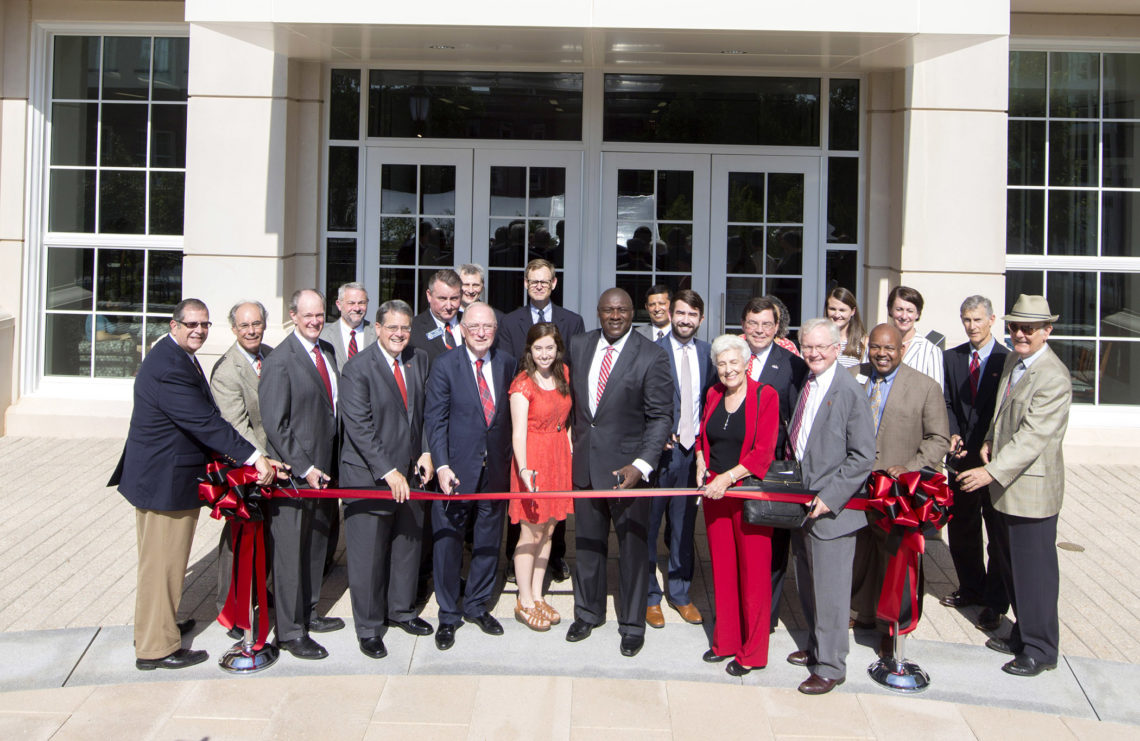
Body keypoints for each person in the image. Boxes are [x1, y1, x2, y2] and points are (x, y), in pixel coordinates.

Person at [109, 298, 281, 670]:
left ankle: (158, 626)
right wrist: (254, 457)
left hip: (164, 478)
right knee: (162, 566)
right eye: (191, 324)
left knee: (161, 564)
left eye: (204, 324)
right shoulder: (170, 365)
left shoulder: (175, 356)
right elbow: (204, 422)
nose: (198, 331)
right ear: (173, 325)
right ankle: (156, 649)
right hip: (164, 483)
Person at [958, 294, 1072, 677]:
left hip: (1031, 492)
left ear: (1047, 331)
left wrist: (988, 472)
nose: (1020, 333)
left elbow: (1033, 438)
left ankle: (1041, 649)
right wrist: (989, 438)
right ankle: (1023, 634)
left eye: (1029, 328)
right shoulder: (1013, 360)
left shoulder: (1053, 376)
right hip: (1006, 488)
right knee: (1009, 567)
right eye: (1015, 327)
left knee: (1034, 574)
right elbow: (1001, 411)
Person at [565, 288, 673, 658]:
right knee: (588, 546)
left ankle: (631, 625)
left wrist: (641, 465)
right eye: (608, 310)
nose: (615, 316)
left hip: (630, 472)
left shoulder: (651, 355)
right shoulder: (578, 345)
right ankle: (588, 613)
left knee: (632, 551)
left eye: (622, 310)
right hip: (586, 466)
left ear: (633, 312)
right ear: (598, 312)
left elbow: (661, 417)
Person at [338, 299, 436, 659]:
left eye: (405, 328)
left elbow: (424, 413)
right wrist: (388, 470)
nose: (399, 334)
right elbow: (359, 428)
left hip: (411, 472)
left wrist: (425, 451)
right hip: (370, 477)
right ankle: (368, 627)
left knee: (407, 546)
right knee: (368, 557)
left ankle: (402, 611)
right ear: (377, 328)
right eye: (392, 327)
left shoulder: (418, 358)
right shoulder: (357, 368)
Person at [786, 317, 876, 695]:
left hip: (832, 511)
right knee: (808, 586)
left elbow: (862, 456)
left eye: (822, 347)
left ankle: (831, 665)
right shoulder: (809, 382)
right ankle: (816, 647)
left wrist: (830, 498)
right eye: (808, 346)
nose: (814, 353)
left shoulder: (849, 390)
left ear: (838, 349)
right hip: (802, 506)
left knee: (831, 592)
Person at [848, 324, 949, 655]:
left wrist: (912, 468)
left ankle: (893, 628)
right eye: (875, 347)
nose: (881, 354)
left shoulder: (925, 387)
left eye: (889, 348)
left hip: (898, 491)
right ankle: (860, 613)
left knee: (896, 562)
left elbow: (938, 439)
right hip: (857, 484)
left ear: (901, 350)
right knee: (860, 552)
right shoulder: (851, 377)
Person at [259, 288, 345, 660]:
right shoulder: (281, 360)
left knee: (315, 548)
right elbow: (276, 425)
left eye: (319, 315)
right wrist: (305, 467)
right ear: (293, 316)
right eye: (307, 316)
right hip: (297, 476)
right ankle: (291, 631)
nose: (315, 321)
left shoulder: (325, 351)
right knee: (291, 556)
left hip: (325, 472)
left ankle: (310, 612)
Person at [424, 302, 515, 650]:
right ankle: (448, 614)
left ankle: (477, 605)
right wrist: (442, 465)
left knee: (488, 541)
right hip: (455, 472)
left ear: (495, 330)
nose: (481, 332)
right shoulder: (446, 364)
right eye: (474, 326)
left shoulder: (507, 363)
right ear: (462, 329)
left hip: (494, 471)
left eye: (487, 327)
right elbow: (436, 420)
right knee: (448, 543)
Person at [696, 334, 780, 676]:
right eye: (722, 364)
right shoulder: (714, 393)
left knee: (754, 576)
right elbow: (704, 435)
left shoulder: (766, 396)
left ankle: (753, 652)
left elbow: (763, 451)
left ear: (747, 363)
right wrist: (701, 462)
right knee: (723, 571)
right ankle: (726, 641)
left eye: (734, 362)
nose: (728, 370)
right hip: (716, 495)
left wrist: (725, 478)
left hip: (747, 494)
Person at [499, 258, 584, 582]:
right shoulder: (509, 321)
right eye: (533, 281)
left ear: (554, 283)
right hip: (526, 420)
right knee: (525, 507)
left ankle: (556, 558)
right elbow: (510, 368)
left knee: (553, 514)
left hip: (557, 420)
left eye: (544, 281)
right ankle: (514, 562)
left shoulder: (572, 321)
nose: (538, 285)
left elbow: (572, 375)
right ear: (525, 283)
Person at [941, 295, 1010, 632]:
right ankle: (971, 587)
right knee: (962, 527)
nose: (971, 327)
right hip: (960, 460)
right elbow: (948, 402)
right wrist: (952, 433)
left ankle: (995, 603)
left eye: (977, 320)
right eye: (966, 320)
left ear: (992, 320)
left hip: (992, 461)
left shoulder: (1007, 360)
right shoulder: (951, 358)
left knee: (996, 534)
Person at [739, 297, 808, 630]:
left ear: (778, 328)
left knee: (773, 548)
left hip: (773, 468)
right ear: (743, 326)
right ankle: (739, 609)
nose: (760, 330)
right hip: (735, 467)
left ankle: (764, 618)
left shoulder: (793, 365)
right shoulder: (731, 358)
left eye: (767, 324)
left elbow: (797, 419)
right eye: (753, 323)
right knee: (742, 540)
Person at [646, 289, 713, 629]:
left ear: (701, 319)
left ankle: (680, 593)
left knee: (685, 527)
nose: (686, 320)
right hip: (660, 455)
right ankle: (649, 596)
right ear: (670, 314)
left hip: (692, 455)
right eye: (681, 313)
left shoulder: (708, 353)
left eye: (693, 315)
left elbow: (712, 401)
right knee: (649, 525)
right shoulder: (651, 351)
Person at [209, 300, 274, 632]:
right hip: (246, 465)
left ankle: (261, 593)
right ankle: (230, 607)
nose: (252, 331)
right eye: (245, 326)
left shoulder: (271, 355)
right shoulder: (227, 370)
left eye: (257, 323)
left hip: (275, 463)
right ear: (234, 329)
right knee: (238, 539)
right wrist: (264, 459)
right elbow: (236, 425)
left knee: (268, 534)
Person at [508, 322, 574, 632]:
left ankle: (537, 593)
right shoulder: (523, 384)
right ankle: (524, 599)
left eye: (550, 348)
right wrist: (523, 470)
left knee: (549, 531)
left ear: (557, 349)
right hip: (533, 461)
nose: (544, 354)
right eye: (538, 348)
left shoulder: (563, 376)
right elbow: (518, 434)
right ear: (530, 351)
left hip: (558, 457)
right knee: (530, 533)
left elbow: (566, 419)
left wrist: (569, 448)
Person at [887, 285, 943, 389]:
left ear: (918, 314)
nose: (904, 316)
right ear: (890, 310)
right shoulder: (876, 345)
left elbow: (936, 395)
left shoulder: (931, 351)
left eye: (910, 311)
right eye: (899, 309)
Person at [409, 269, 463, 364]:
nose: (449, 306)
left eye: (454, 299)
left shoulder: (471, 323)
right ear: (429, 296)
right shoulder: (413, 328)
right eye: (442, 298)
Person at [321, 282, 376, 371]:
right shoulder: (324, 336)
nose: (357, 308)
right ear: (339, 305)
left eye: (361, 303)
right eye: (351, 303)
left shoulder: (377, 334)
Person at [825, 287, 866, 368]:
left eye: (842, 310)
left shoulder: (863, 342)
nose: (837, 315)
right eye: (832, 309)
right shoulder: (818, 339)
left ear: (853, 311)